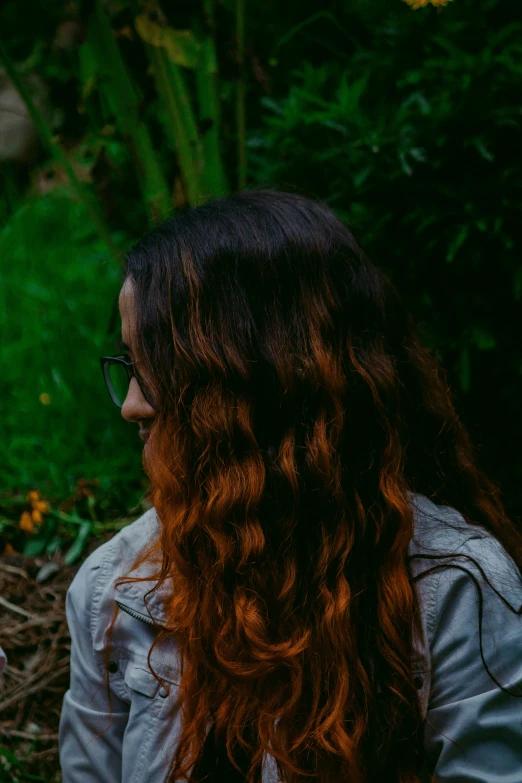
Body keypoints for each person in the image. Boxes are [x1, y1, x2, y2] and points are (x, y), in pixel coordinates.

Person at [58, 189, 522, 783]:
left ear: (250, 387)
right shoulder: (112, 590)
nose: (131, 406)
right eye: (128, 365)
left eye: (156, 370)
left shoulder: (455, 591)